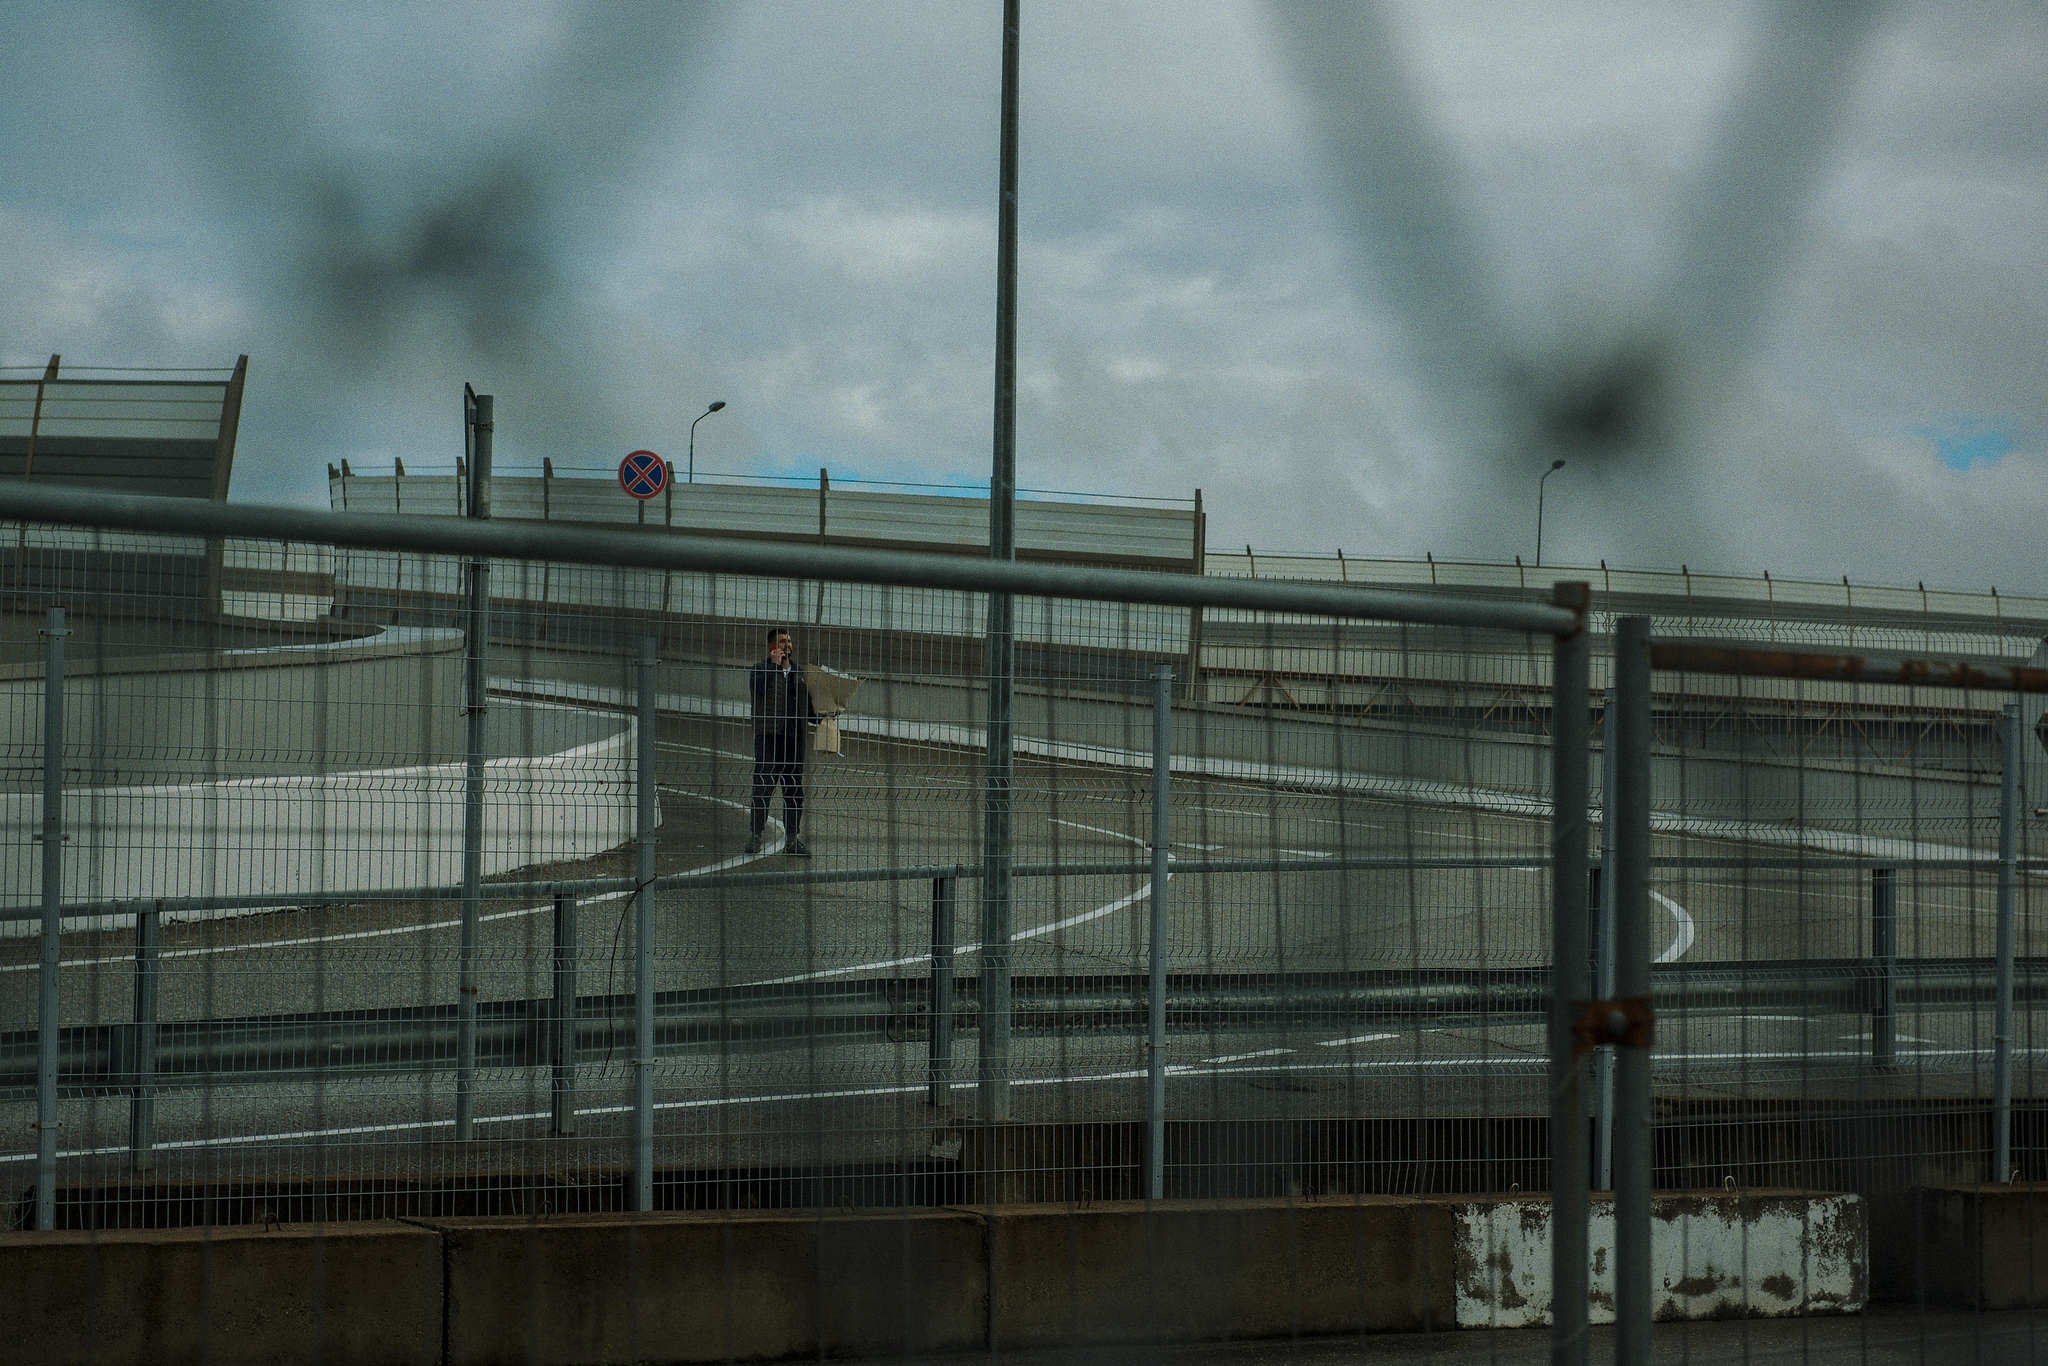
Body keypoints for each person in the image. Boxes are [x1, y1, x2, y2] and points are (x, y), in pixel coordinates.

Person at [747, 625, 817, 856]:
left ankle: (792, 839)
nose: (787, 644)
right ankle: (755, 836)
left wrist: (828, 711)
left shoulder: (800, 674)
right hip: (769, 739)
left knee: (794, 792)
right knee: (763, 789)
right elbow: (760, 689)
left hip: (793, 741)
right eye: (782, 641)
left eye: (789, 641)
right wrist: (774, 666)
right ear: (772, 646)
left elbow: (810, 710)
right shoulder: (760, 670)